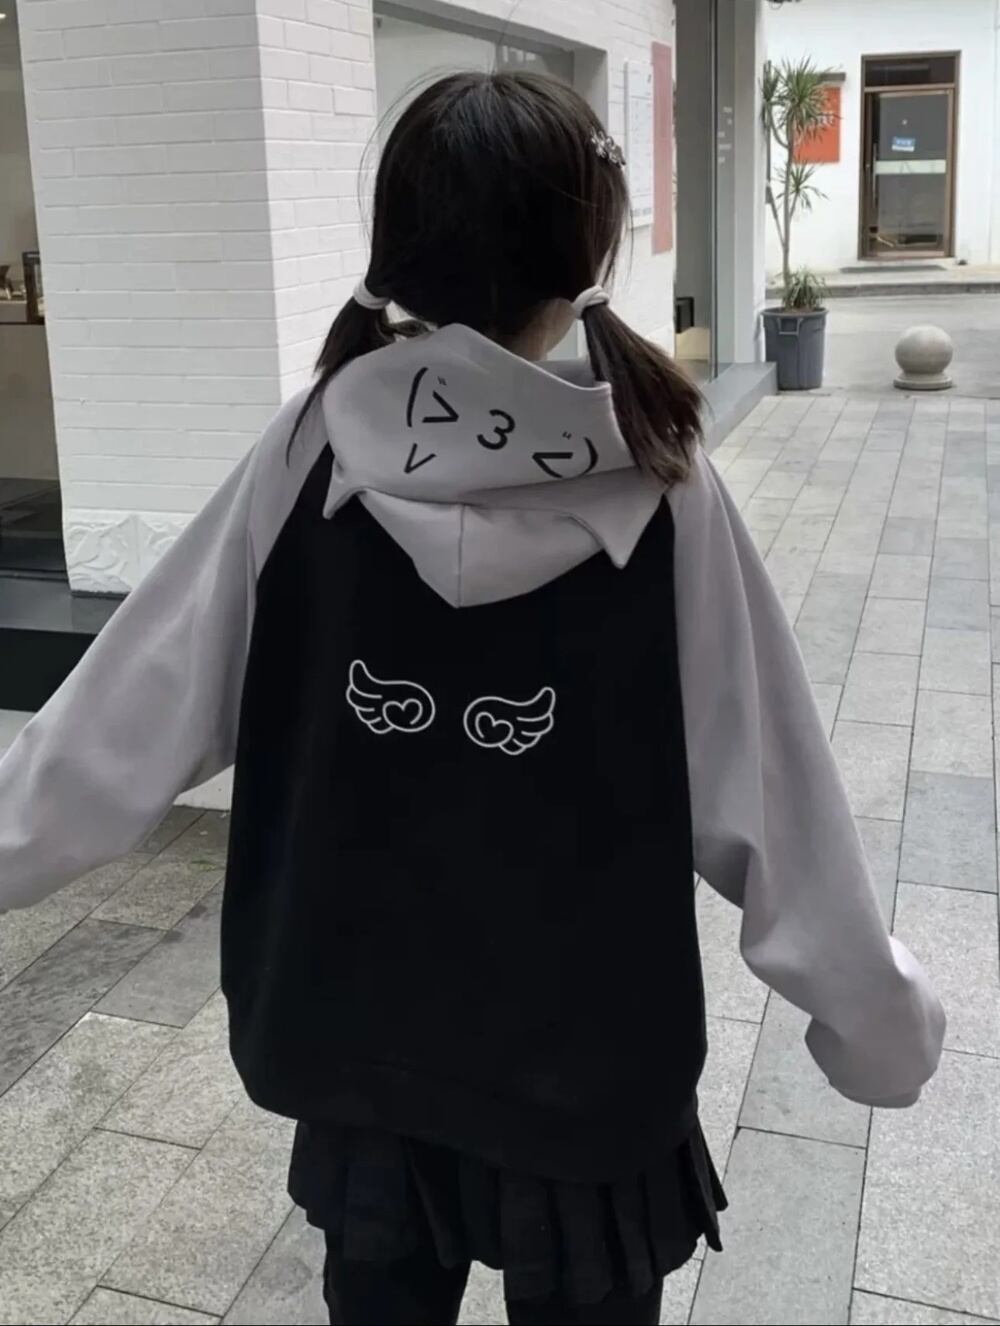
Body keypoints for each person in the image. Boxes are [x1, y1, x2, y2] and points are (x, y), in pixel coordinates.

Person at [0, 71, 944, 1326]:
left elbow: (118, 723)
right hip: (588, 1064)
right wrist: (877, 1024)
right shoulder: (656, 481)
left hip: (355, 1044)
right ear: (589, 250)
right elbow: (767, 795)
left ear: (396, 247)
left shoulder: (310, 449)